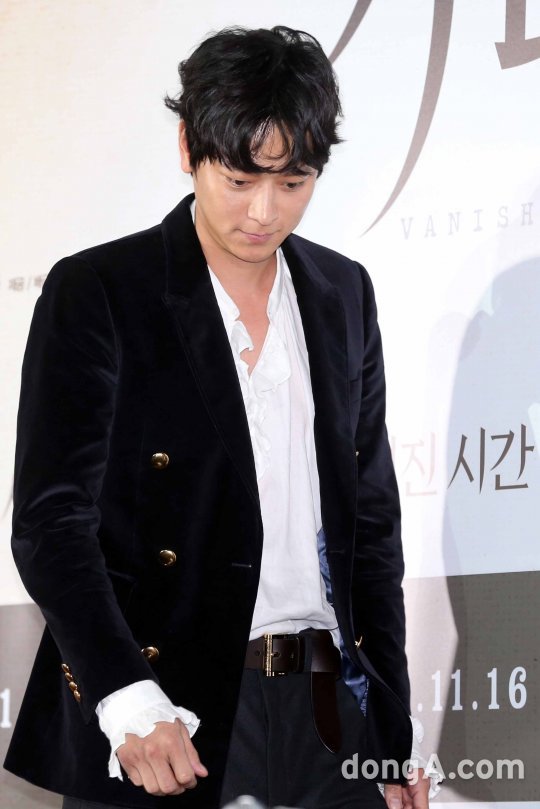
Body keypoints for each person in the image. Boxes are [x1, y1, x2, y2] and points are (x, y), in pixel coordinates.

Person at [4, 25, 431, 809]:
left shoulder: (343, 294)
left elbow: (371, 528)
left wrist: (392, 731)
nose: (264, 211)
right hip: (169, 710)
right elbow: (49, 522)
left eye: (294, 181)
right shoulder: (102, 291)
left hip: (330, 709)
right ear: (187, 148)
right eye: (239, 179)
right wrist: (128, 698)